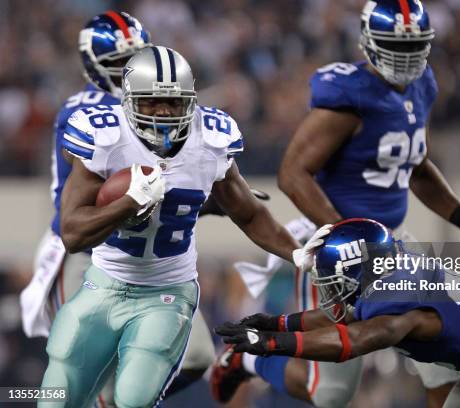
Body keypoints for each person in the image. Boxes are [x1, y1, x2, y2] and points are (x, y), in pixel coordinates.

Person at [212, 1, 460, 407]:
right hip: (339, 247)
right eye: (394, 47)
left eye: (412, 47)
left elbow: (416, 166)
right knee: (332, 392)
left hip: (394, 242)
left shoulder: (423, 86)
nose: (405, 59)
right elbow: (292, 174)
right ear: (368, 42)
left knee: (446, 358)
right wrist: (348, 238)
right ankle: (246, 363)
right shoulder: (348, 98)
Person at [37, 45, 310, 408]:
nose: (164, 112)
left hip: (167, 291)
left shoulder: (210, 139)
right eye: (152, 102)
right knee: (57, 395)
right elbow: (72, 233)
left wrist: (297, 251)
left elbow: (249, 214)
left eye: (174, 103)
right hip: (104, 282)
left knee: (133, 398)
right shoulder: (105, 137)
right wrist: (127, 205)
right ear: (129, 100)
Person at [19, 12, 225, 407]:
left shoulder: (156, 105)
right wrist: (130, 205)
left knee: (196, 356)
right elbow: (89, 206)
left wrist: (209, 199)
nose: (126, 71)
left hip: (149, 261)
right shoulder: (88, 115)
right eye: (116, 64)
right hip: (91, 252)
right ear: (93, 65)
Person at [217, 219, 460, 408]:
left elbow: (356, 339)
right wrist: (275, 324)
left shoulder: (402, 298)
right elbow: (346, 320)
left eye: (335, 282)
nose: (330, 294)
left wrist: (272, 343)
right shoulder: (395, 270)